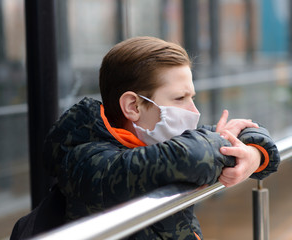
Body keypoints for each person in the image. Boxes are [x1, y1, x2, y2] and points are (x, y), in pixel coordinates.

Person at [43, 36, 280, 239]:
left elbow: (252, 131)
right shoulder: (86, 161)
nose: (193, 111)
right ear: (133, 106)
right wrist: (225, 144)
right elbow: (191, 156)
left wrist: (253, 155)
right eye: (179, 99)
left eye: (192, 97)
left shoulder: (159, 142)